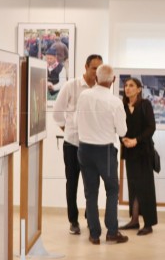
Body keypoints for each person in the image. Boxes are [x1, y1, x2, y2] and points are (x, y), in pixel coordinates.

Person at [76, 64, 129, 245]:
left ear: (96, 78)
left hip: (84, 149)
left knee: (90, 192)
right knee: (112, 190)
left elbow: (77, 120)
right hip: (105, 151)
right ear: (113, 80)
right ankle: (112, 232)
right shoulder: (115, 102)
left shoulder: (83, 96)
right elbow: (122, 132)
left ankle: (94, 234)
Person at [53, 54, 103, 235]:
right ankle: (73, 221)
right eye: (93, 68)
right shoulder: (71, 86)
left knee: (91, 185)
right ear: (86, 67)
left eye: (100, 68)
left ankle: (91, 220)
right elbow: (57, 112)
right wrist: (68, 129)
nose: (96, 72)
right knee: (72, 183)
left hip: (92, 144)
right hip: (72, 144)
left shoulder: (100, 89)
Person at [119, 78, 158, 235]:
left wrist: (136, 140)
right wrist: (124, 139)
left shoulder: (145, 105)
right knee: (133, 187)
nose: (128, 88)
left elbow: (151, 127)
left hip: (144, 151)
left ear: (139, 89)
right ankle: (134, 220)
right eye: (126, 85)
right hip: (129, 151)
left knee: (146, 188)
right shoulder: (122, 106)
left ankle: (148, 223)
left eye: (131, 86)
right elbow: (119, 126)